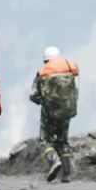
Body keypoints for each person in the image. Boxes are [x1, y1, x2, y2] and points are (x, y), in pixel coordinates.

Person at [30, 46, 79, 182]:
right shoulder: (70, 67)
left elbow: (34, 95)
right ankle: (67, 174)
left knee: (45, 140)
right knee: (62, 140)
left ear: (46, 60)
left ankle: (54, 160)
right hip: (68, 109)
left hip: (49, 111)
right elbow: (76, 88)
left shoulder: (43, 72)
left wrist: (41, 101)